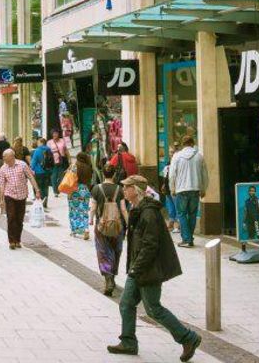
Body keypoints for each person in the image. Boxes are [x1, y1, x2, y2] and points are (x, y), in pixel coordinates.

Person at [108, 175, 201, 361]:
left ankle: (188, 337)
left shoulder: (148, 212)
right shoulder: (137, 208)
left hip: (148, 268)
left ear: (136, 190)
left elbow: (150, 245)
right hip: (139, 267)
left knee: (153, 308)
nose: (124, 190)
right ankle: (128, 342)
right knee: (126, 303)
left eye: (127, 187)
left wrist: (137, 268)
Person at [90, 165, 126, 296]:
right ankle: (113, 276)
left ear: (103, 174)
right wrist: (127, 222)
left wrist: (90, 219)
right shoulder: (119, 189)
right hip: (117, 226)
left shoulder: (96, 189)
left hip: (101, 226)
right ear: (114, 175)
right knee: (116, 251)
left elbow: (93, 208)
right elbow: (123, 209)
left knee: (103, 252)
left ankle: (108, 278)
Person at [168, 135, 207, 248]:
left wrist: (172, 188)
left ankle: (186, 239)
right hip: (195, 189)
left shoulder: (176, 156)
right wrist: (203, 188)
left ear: (182, 144)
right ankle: (189, 238)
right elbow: (204, 174)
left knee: (181, 214)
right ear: (192, 143)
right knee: (192, 214)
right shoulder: (199, 156)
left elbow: (172, 175)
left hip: (181, 190)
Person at [0, 148, 41, 250]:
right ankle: (12, 241)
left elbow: (30, 177)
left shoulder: (22, 164)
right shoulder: (3, 168)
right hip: (10, 195)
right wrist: (1, 199)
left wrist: (37, 190)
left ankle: (18, 240)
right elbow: (2, 185)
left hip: (22, 195)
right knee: (11, 217)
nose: (3, 158)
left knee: (19, 219)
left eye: (5, 156)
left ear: (11, 156)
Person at [69, 152, 94, 239]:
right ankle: (86, 229)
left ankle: (74, 230)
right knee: (84, 210)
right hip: (85, 189)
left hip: (75, 189)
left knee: (74, 211)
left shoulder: (74, 166)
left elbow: (70, 179)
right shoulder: (88, 167)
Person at [30, 138, 52, 209]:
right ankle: (45, 202)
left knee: (39, 187)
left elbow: (34, 161)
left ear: (41, 143)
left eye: (38, 142)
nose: (37, 143)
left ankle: (40, 202)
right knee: (46, 187)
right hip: (47, 171)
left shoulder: (37, 150)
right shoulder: (49, 149)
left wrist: (31, 169)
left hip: (39, 172)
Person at [47, 130, 68, 198]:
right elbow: (47, 153)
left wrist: (69, 159)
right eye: (54, 133)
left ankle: (58, 188)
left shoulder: (62, 140)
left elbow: (65, 150)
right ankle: (55, 191)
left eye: (56, 133)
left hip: (62, 160)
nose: (55, 135)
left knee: (61, 176)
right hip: (53, 161)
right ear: (52, 135)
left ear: (58, 134)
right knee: (54, 176)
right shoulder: (49, 142)